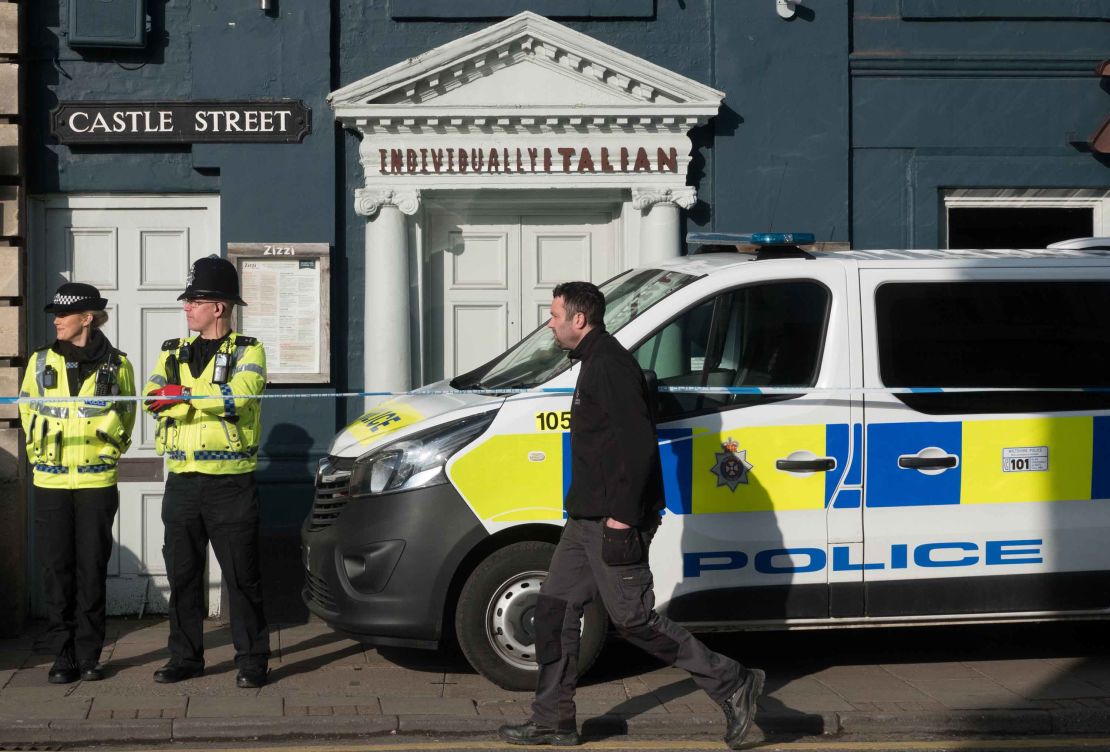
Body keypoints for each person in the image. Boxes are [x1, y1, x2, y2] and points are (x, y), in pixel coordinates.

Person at [498, 281, 765, 749]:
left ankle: (732, 681)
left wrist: (623, 517)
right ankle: (551, 721)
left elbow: (639, 447)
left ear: (579, 319)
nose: (550, 322)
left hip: (614, 522)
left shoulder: (611, 366)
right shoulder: (592, 362)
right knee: (552, 611)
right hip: (585, 521)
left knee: (635, 621)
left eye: (555, 314)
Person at [143, 255, 269, 688]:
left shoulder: (249, 350)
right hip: (182, 482)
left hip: (231, 484)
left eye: (194, 300)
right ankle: (185, 659)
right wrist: (194, 395)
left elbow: (239, 399)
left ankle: (252, 661)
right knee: (182, 576)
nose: (186, 307)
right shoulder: (171, 352)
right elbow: (151, 399)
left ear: (219, 307)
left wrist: (183, 395)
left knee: (242, 578)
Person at [19, 282, 136, 684]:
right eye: (55, 314)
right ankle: (62, 655)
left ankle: (89, 655)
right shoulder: (38, 363)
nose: (56, 320)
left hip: (96, 481)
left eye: (63, 314)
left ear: (87, 318)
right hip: (50, 481)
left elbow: (127, 419)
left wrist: (108, 452)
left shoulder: (119, 365)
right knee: (57, 570)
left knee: (91, 569)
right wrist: (40, 457)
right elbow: (26, 414)